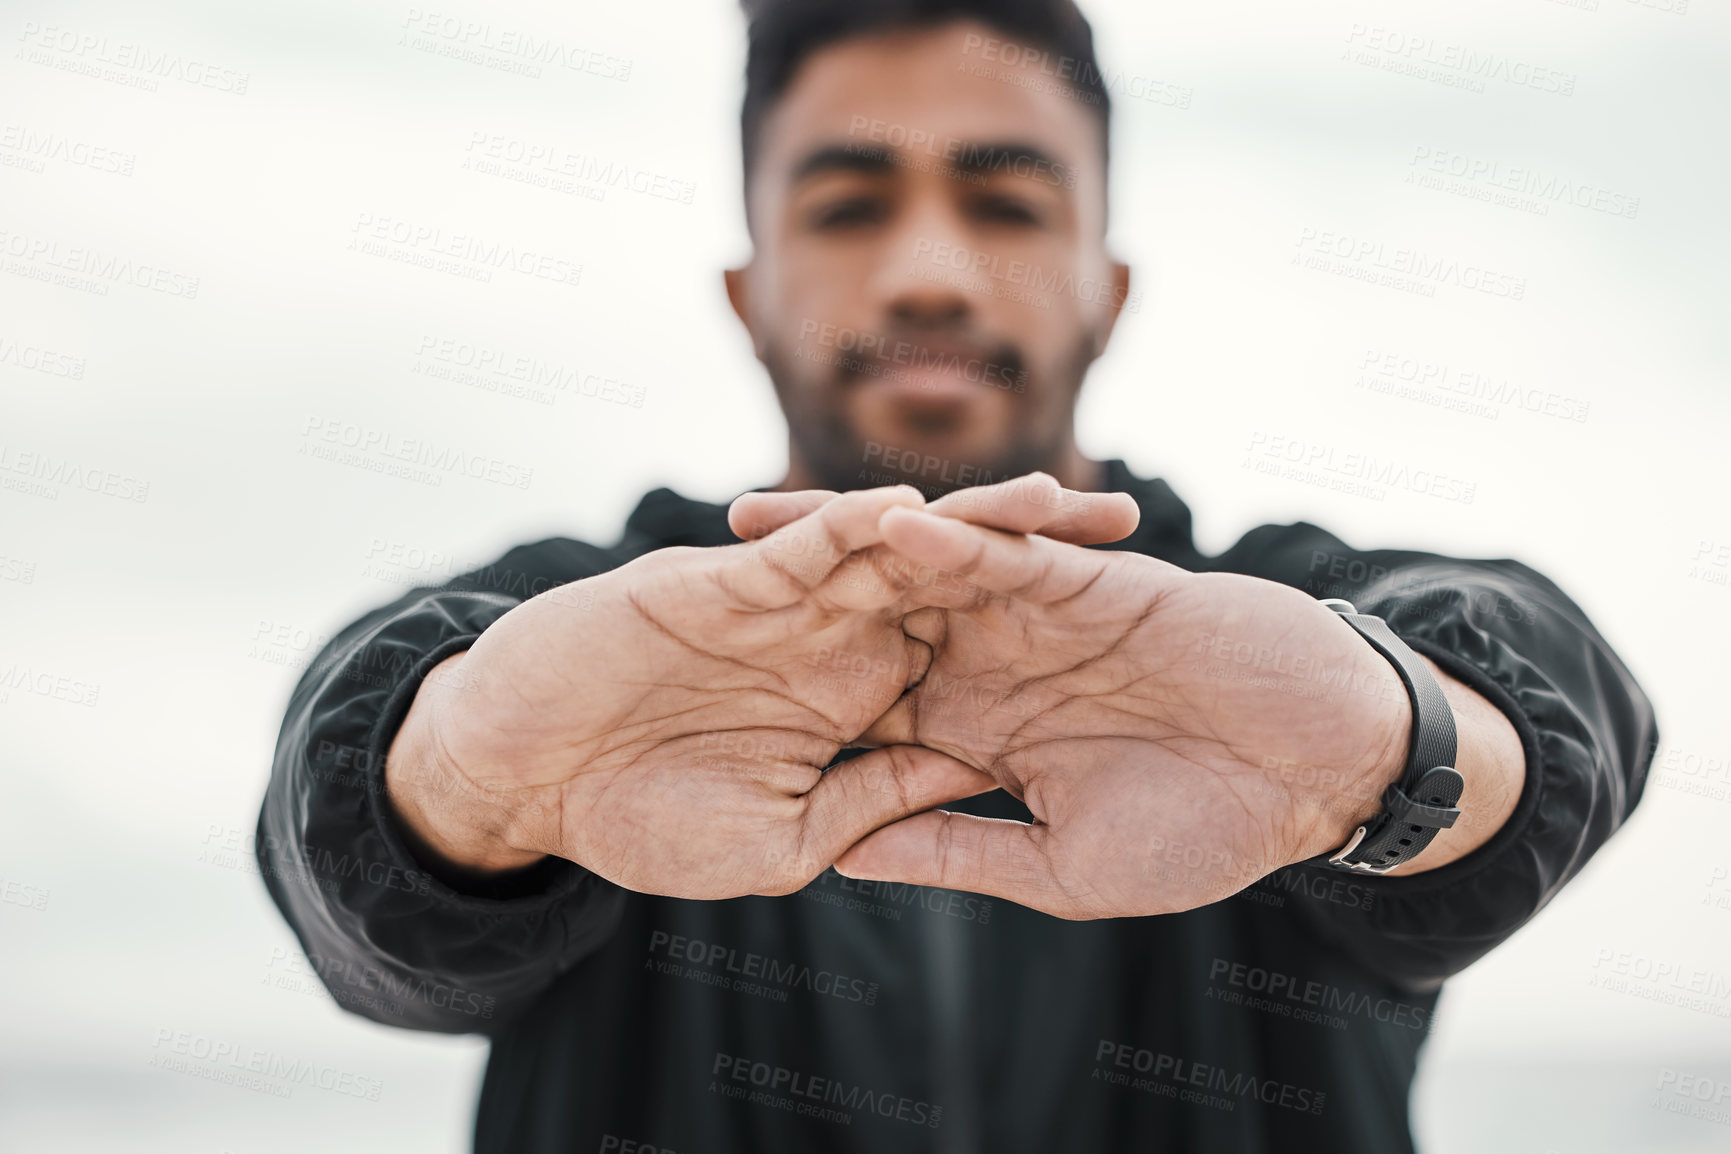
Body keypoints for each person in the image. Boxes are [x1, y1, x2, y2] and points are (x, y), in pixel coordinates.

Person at [256, 1, 1657, 1150]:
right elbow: (343, 820)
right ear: (750, 295)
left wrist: (1387, 745)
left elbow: (1557, 690)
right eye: (852, 205)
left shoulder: (1281, 623)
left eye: (1004, 201)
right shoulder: (589, 642)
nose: (929, 270)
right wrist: (466, 783)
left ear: (1106, 285)